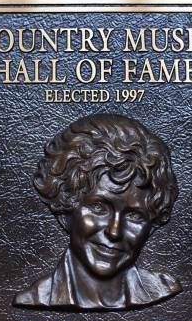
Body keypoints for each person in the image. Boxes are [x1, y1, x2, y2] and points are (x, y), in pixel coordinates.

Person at [12, 113, 182, 310]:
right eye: (99, 208)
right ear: (65, 210)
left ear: (151, 226)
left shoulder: (164, 288)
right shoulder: (35, 297)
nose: (114, 232)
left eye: (135, 216)